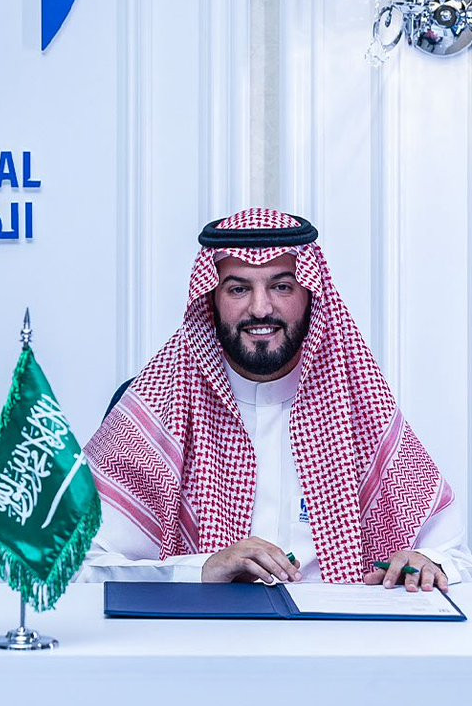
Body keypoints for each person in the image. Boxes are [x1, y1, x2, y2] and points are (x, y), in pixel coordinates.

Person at [81, 208, 472, 590]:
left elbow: (453, 554)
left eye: (281, 286)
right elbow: (80, 565)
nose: (260, 308)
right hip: (201, 630)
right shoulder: (159, 403)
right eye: (238, 289)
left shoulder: (357, 400)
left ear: (310, 296)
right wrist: (202, 570)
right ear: (212, 300)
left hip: (337, 630)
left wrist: (429, 563)